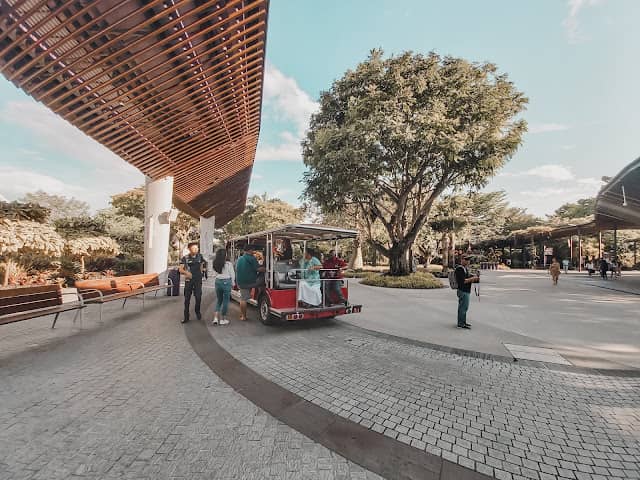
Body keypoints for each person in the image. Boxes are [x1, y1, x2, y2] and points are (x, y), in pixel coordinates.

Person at [235, 244, 265, 321]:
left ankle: (243, 315)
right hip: (250, 282)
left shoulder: (240, 258)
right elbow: (259, 269)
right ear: (250, 250)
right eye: (253, 250)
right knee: (262, 279)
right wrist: (266, 268)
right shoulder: (252, 258)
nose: (254, 251)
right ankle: (261, 293)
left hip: (240, 281)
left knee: (243, 298)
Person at [179, 242, 205, 323]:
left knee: (198, 297)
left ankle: (197, 311)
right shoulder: (185, 258)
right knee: (187, 299)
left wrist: (202, 272)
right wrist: (186, 273)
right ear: (189, 249)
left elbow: (202, 264)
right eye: (194, 248)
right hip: (189, 280)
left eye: (197, 248)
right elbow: (180, 269)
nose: (196, 250)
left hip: (198, 280)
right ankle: (186, 316)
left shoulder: (200, 256)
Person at [211, 248, 235, 326]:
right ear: (225, 255)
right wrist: (233, 283)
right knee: (225, 301)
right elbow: (232, 275)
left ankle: (215, 318)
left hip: (217, 281)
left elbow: (214, 274)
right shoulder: (228, 264)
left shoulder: (215, 263)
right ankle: (223, 319)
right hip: (226, 282)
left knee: (219, 300)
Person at [454, 256, 479, 329]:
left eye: (469, 260)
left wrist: (473, 277)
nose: (468, 261)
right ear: (462, 260)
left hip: (465, 290)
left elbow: (467, 277)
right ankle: (460, 324)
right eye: (467, 260)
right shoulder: (459, 269)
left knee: (464, 307)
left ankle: (463, 322)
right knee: (463, 308)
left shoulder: (465, 269)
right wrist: (473, 278)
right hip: (463, 290)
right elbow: (463, 281)